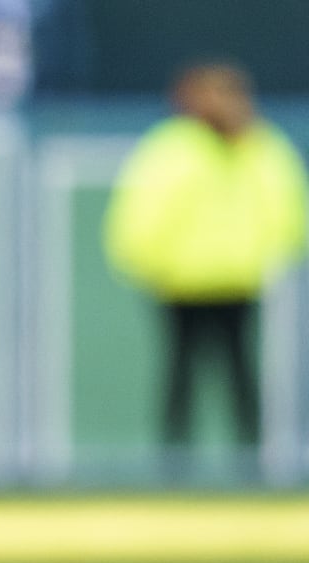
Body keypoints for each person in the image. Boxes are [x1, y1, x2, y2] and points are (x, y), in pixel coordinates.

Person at [104, 61, 308, 463]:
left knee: (240, 376)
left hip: (237, 280)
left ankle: (250, 463)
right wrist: (146, 262)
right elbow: (143, 212)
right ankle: (175, 464)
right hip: (180, 282)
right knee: (181, 376)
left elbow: (286, 208)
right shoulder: (174, 148)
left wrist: (269, 255)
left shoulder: (258, 146)